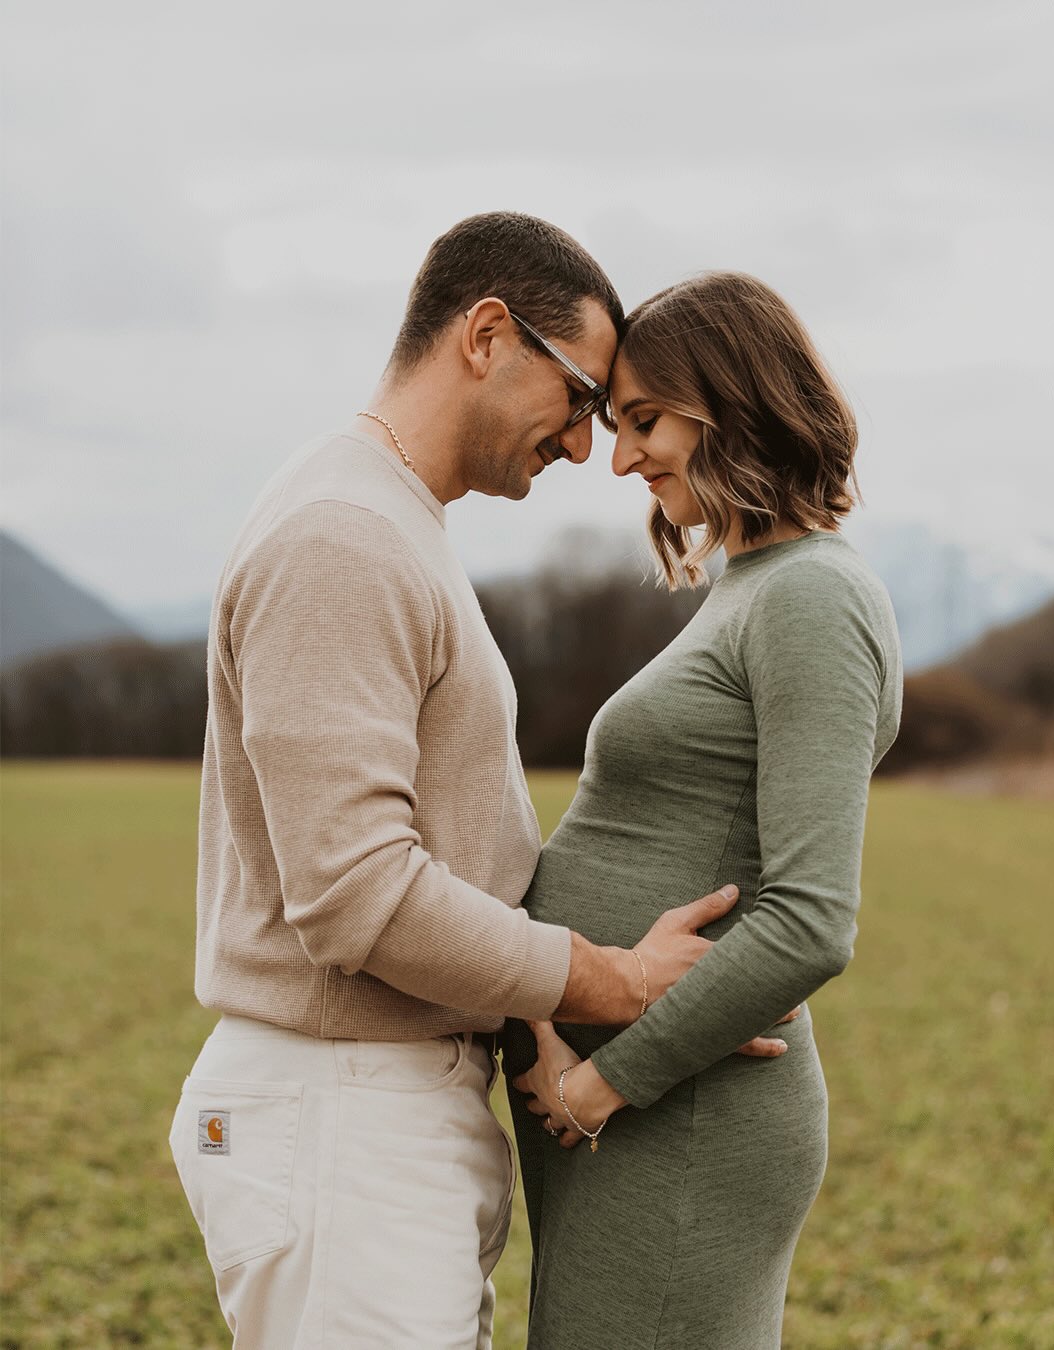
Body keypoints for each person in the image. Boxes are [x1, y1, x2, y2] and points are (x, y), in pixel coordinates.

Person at [167, 216, 786, 1350]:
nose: (592, 447)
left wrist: (533, 1008)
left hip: (376, 1111)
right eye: (586, 398)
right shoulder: (344, 538)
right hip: (342, 1114)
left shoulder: (395, 520)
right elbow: (358, 890)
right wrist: (610, 981)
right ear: (488, 335)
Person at [506, 271, 903, 1349]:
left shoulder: (813, 595)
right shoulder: (752, 582)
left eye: (642, 422)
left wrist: (601, 1085)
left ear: (729, 398)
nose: (622, 458)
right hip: (623, 1105)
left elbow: (812, 915)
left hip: (673, 1115)